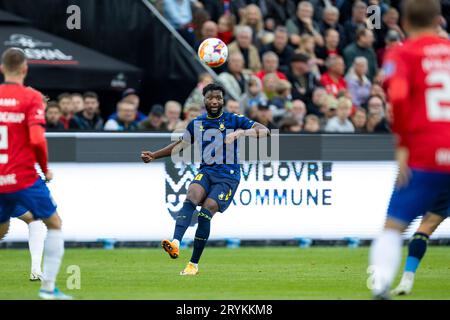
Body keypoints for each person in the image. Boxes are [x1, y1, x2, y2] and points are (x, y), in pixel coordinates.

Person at [141, 83, 269, 275]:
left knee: (205, 212)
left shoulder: (234, 120)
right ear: (204, 100)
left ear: (223, 100)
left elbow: (264, 131)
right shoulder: (197, 123)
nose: (215, 101)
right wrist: (154, 155)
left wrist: (242, 132)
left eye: (218, 97)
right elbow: (180, 145)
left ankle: (193, 264)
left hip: (228, 176)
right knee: (192, 194)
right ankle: (175, 243)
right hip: (207, 171)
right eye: (210, 98)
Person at [368, 0, 450, 300]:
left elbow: (399, 100)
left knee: (393, 227)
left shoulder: (403, 52)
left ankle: (381, 286)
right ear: (439, 19)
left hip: (426, 153)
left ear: (403, 21)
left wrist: (401, 146)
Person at [0, 48, 70, 299]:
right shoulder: (30, 98)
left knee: (3, 228)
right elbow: (38, 140)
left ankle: (37, 271)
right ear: (25, 69)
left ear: (2, 68)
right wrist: (44, 168)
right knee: (53, 223)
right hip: (22, 177)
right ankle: (48, 288)